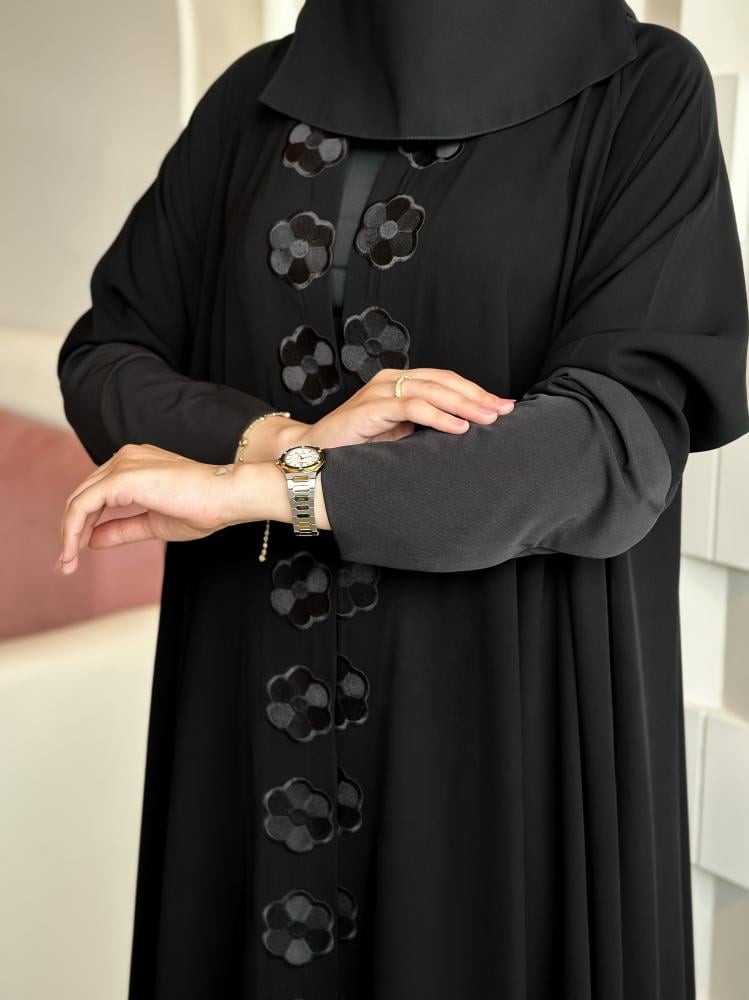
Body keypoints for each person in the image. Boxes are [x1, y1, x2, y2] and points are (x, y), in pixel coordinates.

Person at [56, 1, 749, 997]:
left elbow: (604, 442)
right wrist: (277, 439)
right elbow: (106, 354)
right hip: (249, 714)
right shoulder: (255, 99)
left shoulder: (638, 89)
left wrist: (271, 489)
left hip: (500, 733)